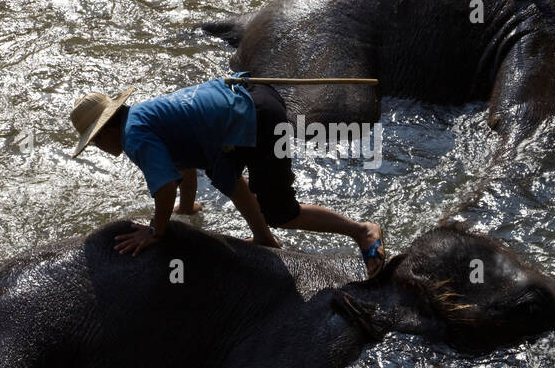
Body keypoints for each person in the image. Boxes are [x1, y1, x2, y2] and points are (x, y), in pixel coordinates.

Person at [70, 77, 386, 275]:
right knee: (230, 182)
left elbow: (165, 186)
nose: (97, 146)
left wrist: (156, 231)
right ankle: (264, 238)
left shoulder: (134, 136)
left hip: (258, 119)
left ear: (108, 128)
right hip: (252, 98)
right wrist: (186, 209)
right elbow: (184, 170)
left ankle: (362, 231)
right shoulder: (143, 116)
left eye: (95, 139)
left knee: (281, 212)